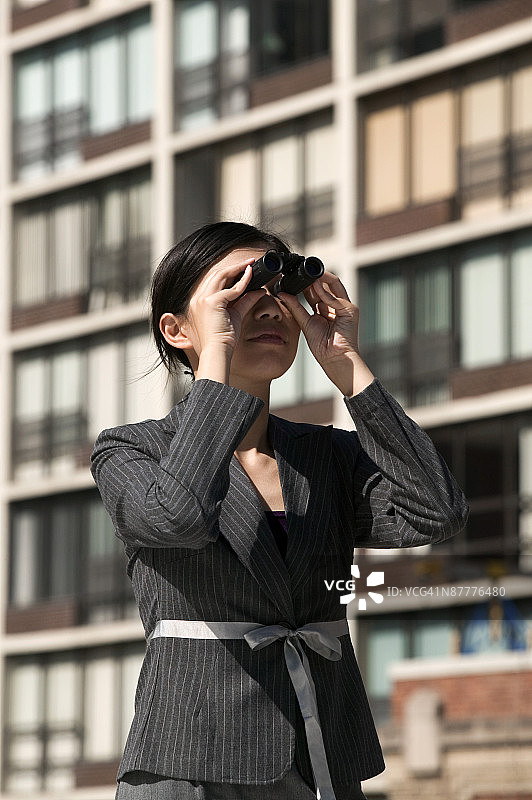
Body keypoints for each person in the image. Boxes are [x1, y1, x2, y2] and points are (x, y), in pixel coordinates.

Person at [90, 221, 469, 800]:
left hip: (320, 757)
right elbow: (178, 518)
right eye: (239, 290)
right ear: (177, 329)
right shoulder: (133, 450)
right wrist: (218, 363)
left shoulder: (323, 455)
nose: (268, 307)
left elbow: (435, 513)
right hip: (194, 763)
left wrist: (347, 366)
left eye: (279, 287)